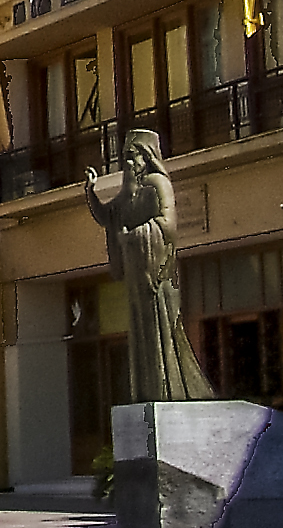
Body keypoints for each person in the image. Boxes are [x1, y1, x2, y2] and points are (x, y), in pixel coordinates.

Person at [85, 130, 213, 403]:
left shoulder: (158, 184)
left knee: (162, 333)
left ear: (146, 157)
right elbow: (108, 216)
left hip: (157, 273)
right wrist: (91, 193)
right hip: (136, 272)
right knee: (141, 335)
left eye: (132, 158)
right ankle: (148, 391)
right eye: (124, 159)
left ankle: (169, 390)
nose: (128, 165)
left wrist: (132, 237)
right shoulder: (128, 192)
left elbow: (167, 227)